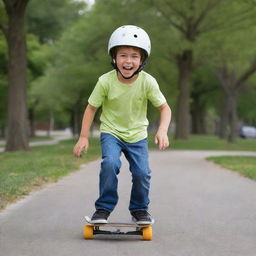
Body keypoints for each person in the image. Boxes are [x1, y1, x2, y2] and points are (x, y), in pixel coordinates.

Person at [73, 25, 171, 224]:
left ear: (142, 60)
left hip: (137, 135)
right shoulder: (105, 81)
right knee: (109, 164)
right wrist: (83, 136)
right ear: (114, 58)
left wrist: (162, 130)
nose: (128, 61)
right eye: (123, 55)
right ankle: (103, 209)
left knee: (142, 173)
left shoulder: (148, 82)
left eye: (134, 56)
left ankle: (140, 210)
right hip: (112, 132)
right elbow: (91, 108)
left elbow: (165, 108)